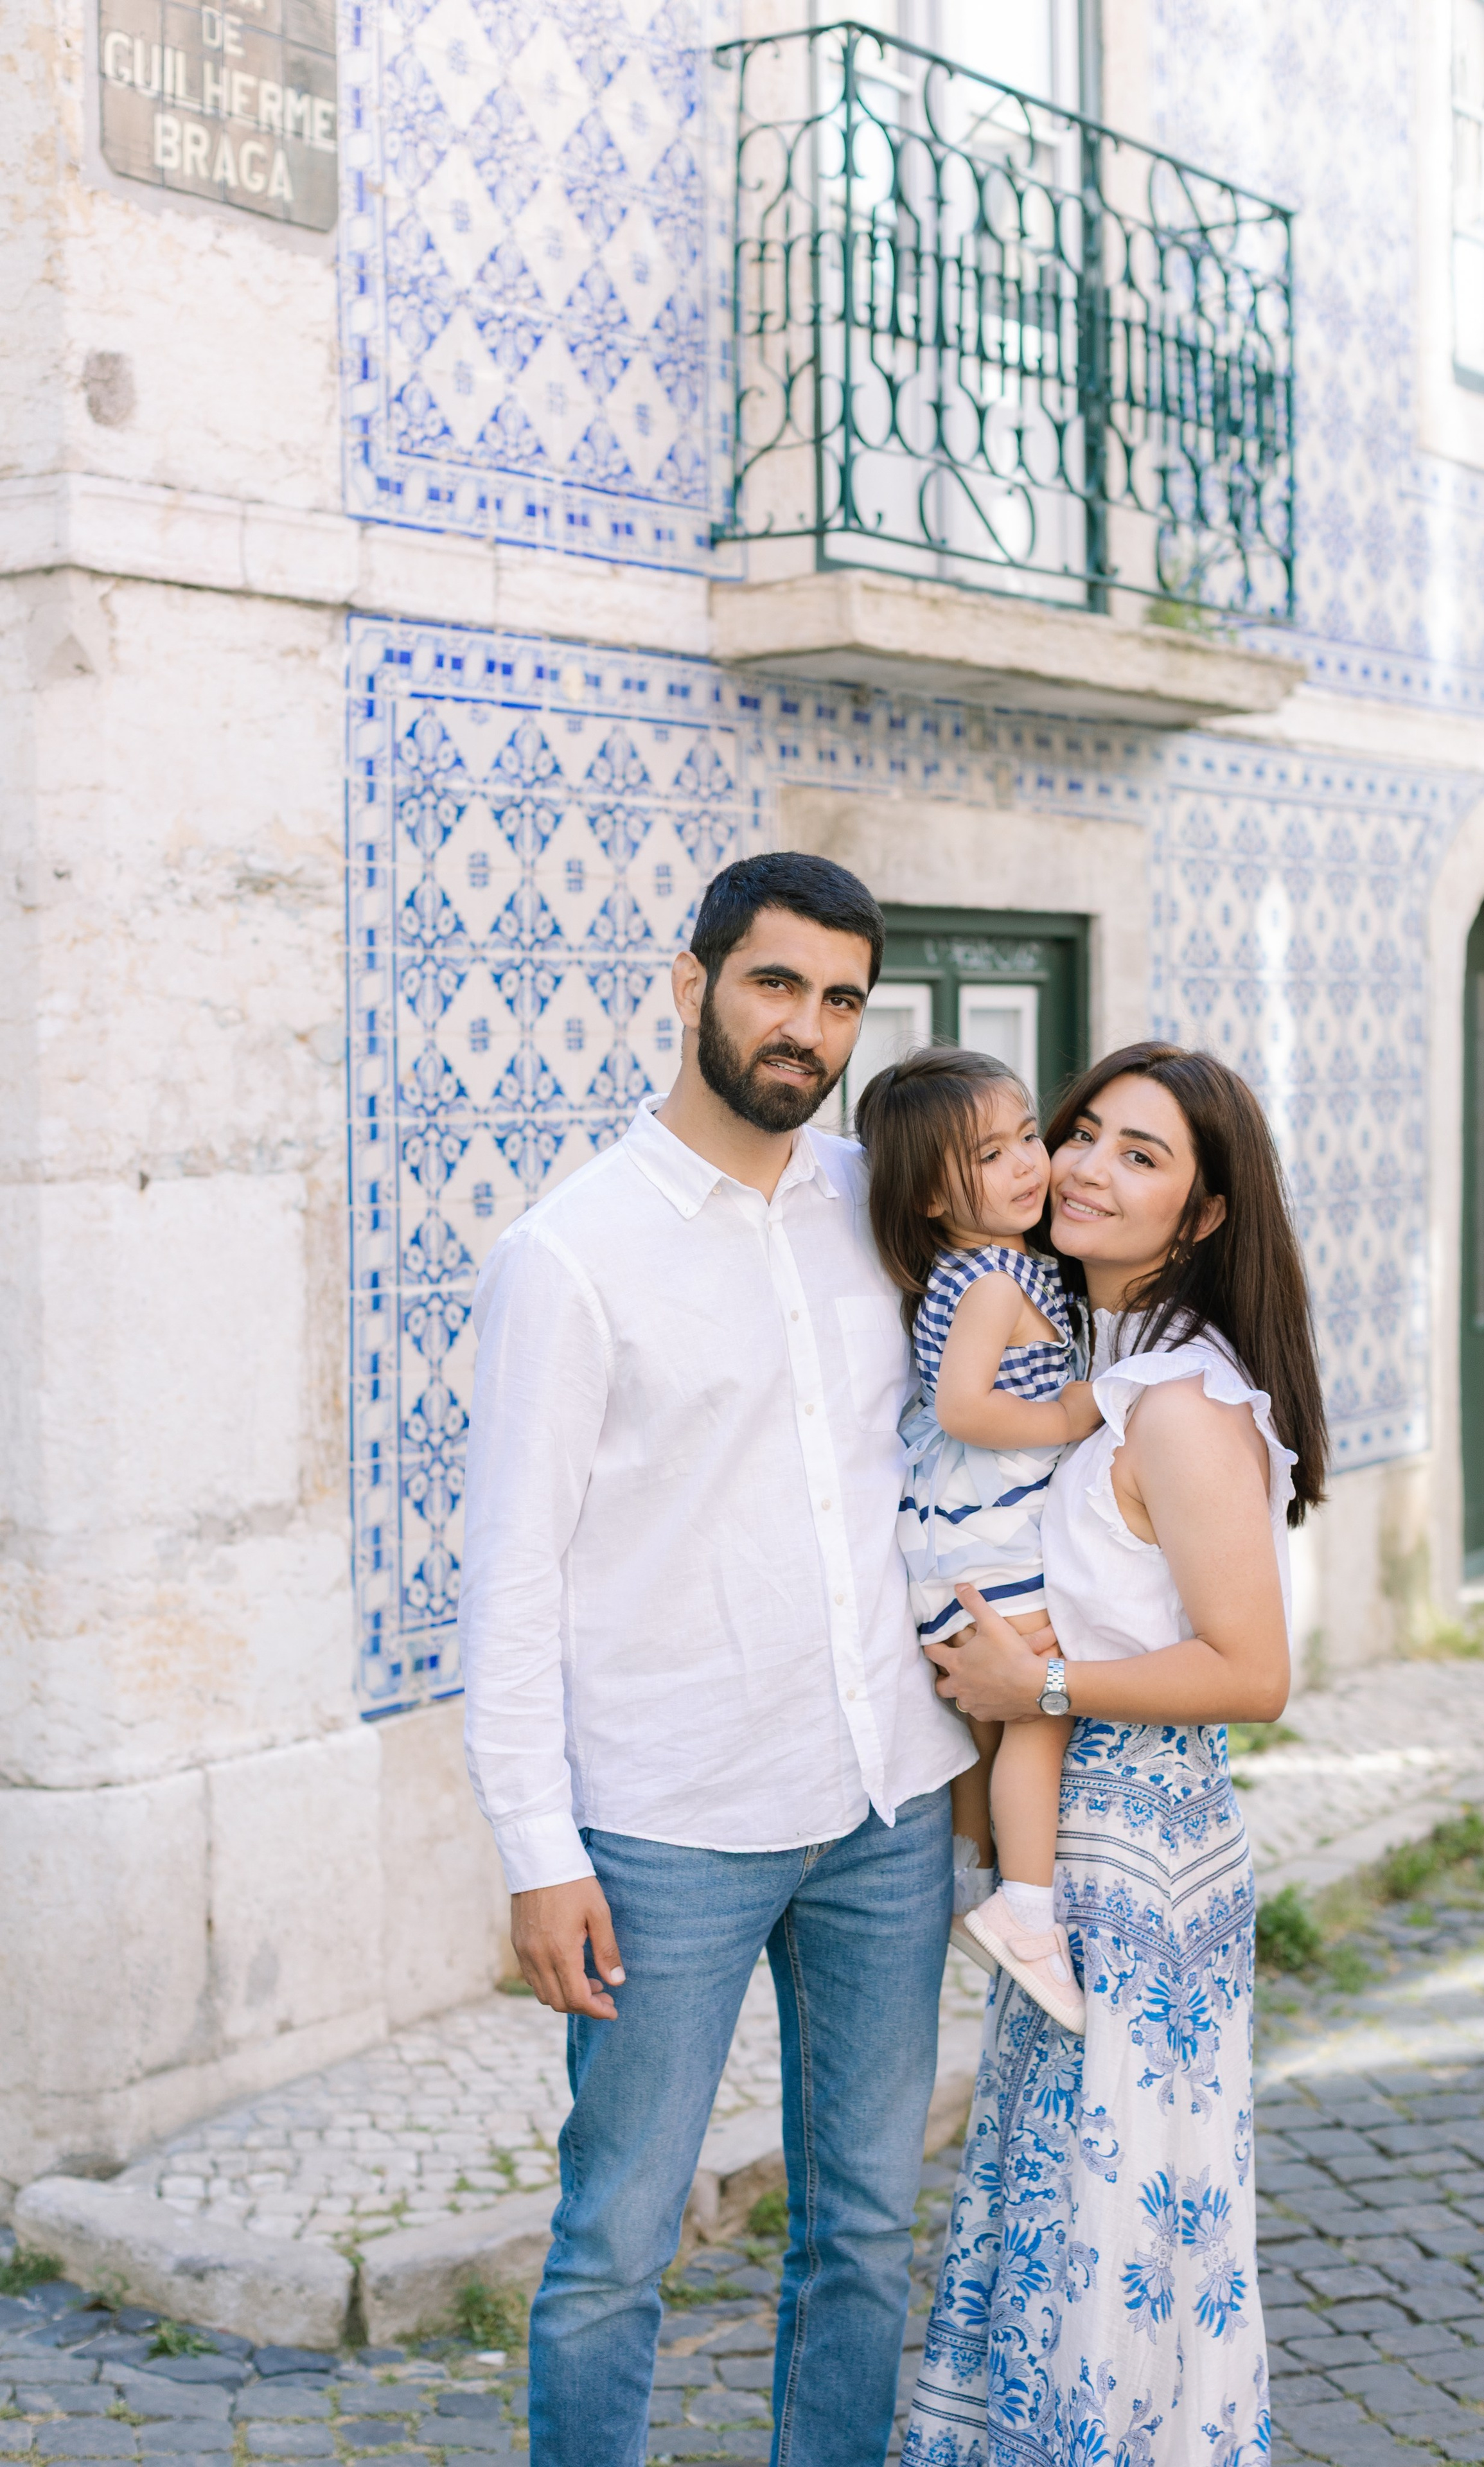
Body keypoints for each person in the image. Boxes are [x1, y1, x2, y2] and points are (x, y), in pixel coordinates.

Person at [457, 850, 974, 2467]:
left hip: (885, 1808)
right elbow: (511, 1582)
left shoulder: (872, 1208)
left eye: (838, 1000)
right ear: (690, 984)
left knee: (867, 2229)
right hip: (665, 1828)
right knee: (616, 2240)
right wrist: (542, 1856)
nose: (805, 1029)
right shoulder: (571, 1254)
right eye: (774, 984)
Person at [901, 1042, 1329, 2467]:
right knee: (1059, 2211)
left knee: (1116, 2228)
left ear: (1202, 1216)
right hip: (1073, 1849)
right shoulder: (1090, 1364)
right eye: (1080, 1134)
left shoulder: (1181, 1407)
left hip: (1135, 1859)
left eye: (1138, 1156)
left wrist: (1046, 1682)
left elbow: (1251, 1672)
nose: (1082, 1167)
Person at [854, 1045, 1099, 2033]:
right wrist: (1071, 1415)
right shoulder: (998, 1280)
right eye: (990, 1155)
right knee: (1038, 1711)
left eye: (1026, 1137)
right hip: (989, 1545)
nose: (1029, 1164)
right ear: (926, 1195)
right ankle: (1025, 1913)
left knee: (990, 1728)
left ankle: (972, 1875)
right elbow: (962, 1407)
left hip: (954, 1545)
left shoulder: (977, 1270)